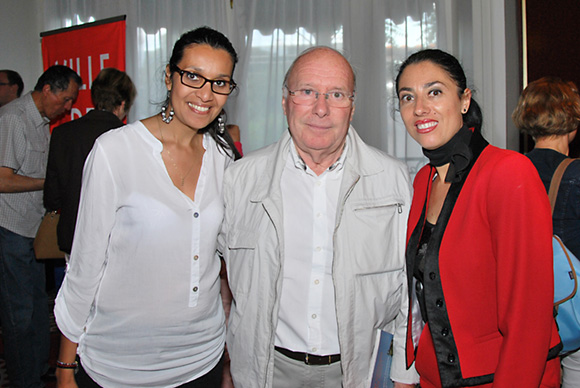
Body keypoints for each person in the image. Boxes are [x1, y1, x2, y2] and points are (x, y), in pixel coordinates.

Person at [218, 46, 418, 388]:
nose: (321, 108)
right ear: (285, 102)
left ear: (352, 108)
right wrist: (227, 364)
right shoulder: (240, 179)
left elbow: (408, 293)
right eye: (307, 92)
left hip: (360, 370)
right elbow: (220, 282)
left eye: (336, 94)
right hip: (266, 371)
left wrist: (402, 375)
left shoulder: (394, 180)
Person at [54, 26, 240, 387]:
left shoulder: (222, 158)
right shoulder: (115, 151)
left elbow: (225, 255)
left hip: (202, 358)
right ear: (169, 76)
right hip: (121, 363)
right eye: (193, 76)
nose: (206, 93)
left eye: (220, 82)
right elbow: (85, 265)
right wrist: (65, 367)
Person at [395, 48, 562, 388]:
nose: (420, 108)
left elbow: (530, 313)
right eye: (407, 97)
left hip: (505, 376)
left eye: (435, 92)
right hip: (435, 377)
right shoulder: (422, 181)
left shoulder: (508, 171)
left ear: (464, 100)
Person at [0, 64, 81, 387]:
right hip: (10, 229)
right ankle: (24, 380)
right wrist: (47, 183)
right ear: (47, 89)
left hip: (30, 231)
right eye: (66, 99)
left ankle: (36, 368)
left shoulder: (42, 123)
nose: (69, 107)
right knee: (19, 314)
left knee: (35, 308)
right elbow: (3, 180)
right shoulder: (13, 120)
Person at [512, 76, 580, 388]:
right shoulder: (577, 174)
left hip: (528, 309)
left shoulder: (509, 170)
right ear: (573, 123)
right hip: (575, 306)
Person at [44, 68, 137, 259]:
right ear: (123, 103)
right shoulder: (131, 139)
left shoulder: (62, 133)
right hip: (117, 238)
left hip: (74, 236)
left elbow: (52, 197)